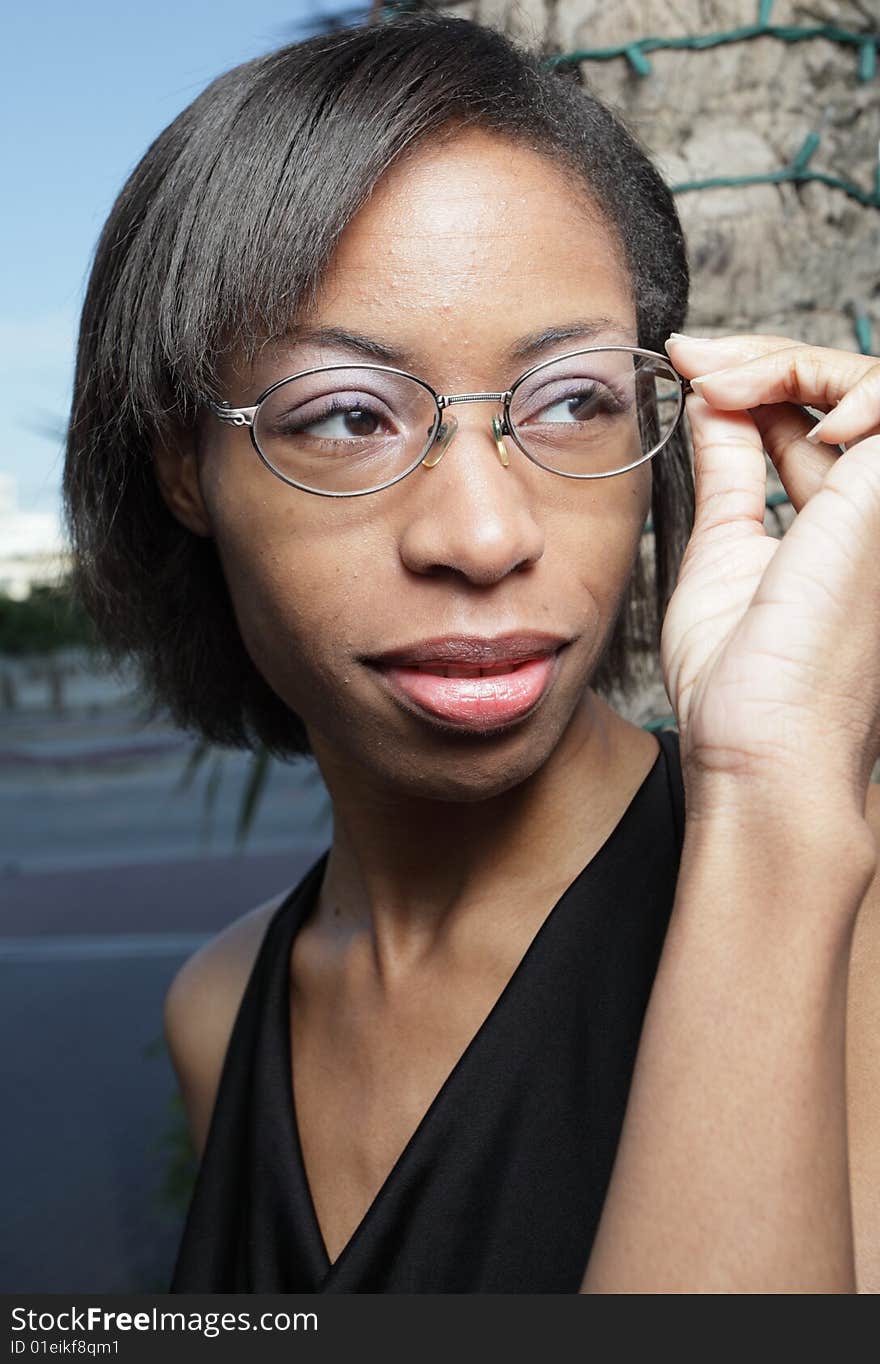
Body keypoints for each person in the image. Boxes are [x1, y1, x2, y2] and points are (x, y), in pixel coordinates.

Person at [63, 11, 880, 1293]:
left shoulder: (846, 908)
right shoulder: (220, 1013)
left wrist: (776, 805)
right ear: (183, 465)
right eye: (345, 414)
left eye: (570, 400)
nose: (486, 533)